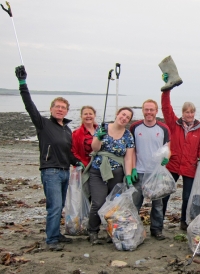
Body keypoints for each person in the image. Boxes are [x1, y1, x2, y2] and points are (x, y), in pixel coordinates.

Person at [15, 65, 83, 251]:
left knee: (60, 205)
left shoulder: (67, 130)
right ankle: (51, 240)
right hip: (50, 171)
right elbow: (29, 106)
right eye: (57, 107)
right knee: (53, 207)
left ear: (67, 111)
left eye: (63, 108)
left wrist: (78, 162)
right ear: (51, 109)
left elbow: (68, 153)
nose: (60, 110)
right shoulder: (43, 124)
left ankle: (56, 234)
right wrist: (23, 83)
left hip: (64, 172)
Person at [160, 72, 200, 231]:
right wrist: (166, 90)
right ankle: (159, 222)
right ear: (183, 113)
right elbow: (166, 108)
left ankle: (184, 222)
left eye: (192, 112)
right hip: (172, 164)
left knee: (187, 197)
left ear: (194, 113)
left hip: (190, 166)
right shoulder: (174, 124)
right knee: (164, 194)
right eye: (187, 112)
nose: (189, 114)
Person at [83, 107, 135, 244]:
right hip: (98, 171)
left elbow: (128, 158)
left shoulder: (128, 135)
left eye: (127, 117)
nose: (124, 118)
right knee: (98, 202)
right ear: (117, 114)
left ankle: (111, 231)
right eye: (123, 114)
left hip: (117, 173)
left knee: (114, 205)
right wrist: (99, 137)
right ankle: (93, 231)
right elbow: (94, 148)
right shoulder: (103, 127)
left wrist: (128, 175)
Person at [130, 99, 171, 240]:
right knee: (135, 203)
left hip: (156, 173)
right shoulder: (135, 127)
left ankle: (156, 229)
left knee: (158, 204)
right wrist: (132, 170)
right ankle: (132, 228)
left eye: (151, 110)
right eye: (146, 109)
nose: (149, 112)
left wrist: (167, 158)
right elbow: (131, 150)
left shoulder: (163, 128)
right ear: (143, 111)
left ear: (156, 111)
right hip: (139, 171)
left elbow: (168, 149)